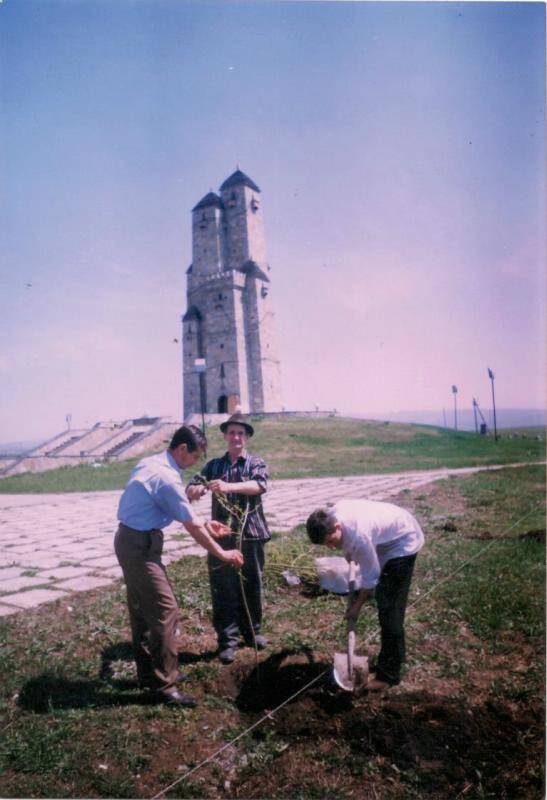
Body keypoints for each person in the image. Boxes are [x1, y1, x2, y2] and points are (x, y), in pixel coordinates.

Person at [115, 424, 244, 707]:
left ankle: (152, 674)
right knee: (164, 609)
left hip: (135, 541)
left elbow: (173, 505)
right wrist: (222, 553)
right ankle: (165, 686)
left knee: (142, 609)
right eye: (195, 457)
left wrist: (206, 523)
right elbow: (190, 525)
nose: (195, 463)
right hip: (139, 546)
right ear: (182, 449)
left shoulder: (155, 464)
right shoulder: (166, 476)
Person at [306, 498, 424, 691]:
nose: (330, 547)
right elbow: (354, 545)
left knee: (390, 609)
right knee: (387, 606)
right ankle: (396, 656)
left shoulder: (358, 535)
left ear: (337, 526)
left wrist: (356, 607)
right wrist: (347, 549)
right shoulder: (334, 515)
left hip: (403, 541)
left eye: (331, 541)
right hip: (387, 535)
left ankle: (389, 676)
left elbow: (371, 578)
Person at [186, 413, 270, 664]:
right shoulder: (213, 465)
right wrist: (198, 490)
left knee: (251, 583)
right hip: (220, 536)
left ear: (247, 437)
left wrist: (228, 487)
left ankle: (252, 631)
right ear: (225, 436)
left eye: (241, 433)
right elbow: (190, 487)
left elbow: (259, 485)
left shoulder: (256, 462)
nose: (236, 437)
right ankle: (227, 639)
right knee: (224, 586)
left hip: (251, 533)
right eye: (232, 432)